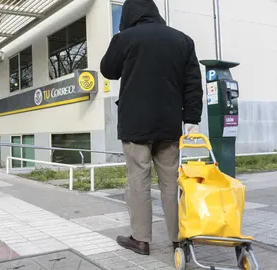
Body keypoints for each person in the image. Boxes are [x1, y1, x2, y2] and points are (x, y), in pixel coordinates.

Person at [100, 0, 203, 256]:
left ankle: (141, 239)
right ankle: (179, 239)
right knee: (171, 182)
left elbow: (108, 70)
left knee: (138, 181)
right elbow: (193, 82)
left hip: (136, 124)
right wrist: (192, 118)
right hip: (169, 124)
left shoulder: (126, 38)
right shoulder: (182, 40)